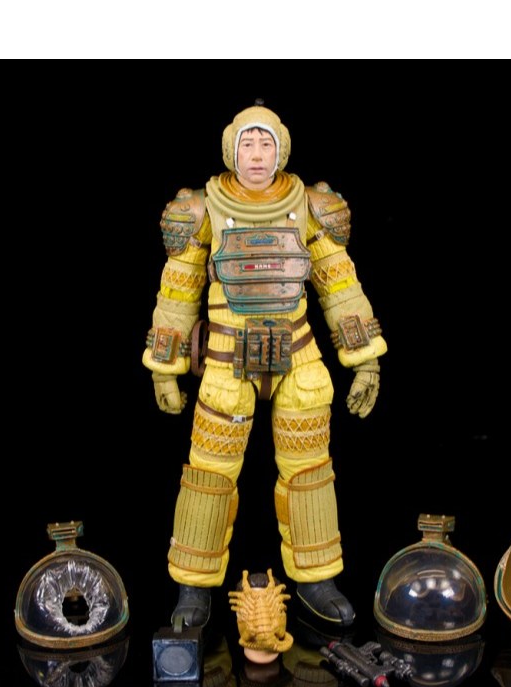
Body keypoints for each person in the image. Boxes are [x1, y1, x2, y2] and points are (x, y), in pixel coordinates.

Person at [143, 101, 387, 629]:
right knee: (209, 475)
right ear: (231, 151)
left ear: (282, 150)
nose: (257, 155)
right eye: (248, 145)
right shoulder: (202, 210)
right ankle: (193, 586)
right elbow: (178, 290)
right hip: (226, 361)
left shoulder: (310, 207)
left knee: (309, 473)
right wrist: (165, 366)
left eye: (266, 144)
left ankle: (317, 578)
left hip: (298, 357)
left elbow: (339, 284)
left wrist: (365, 361)